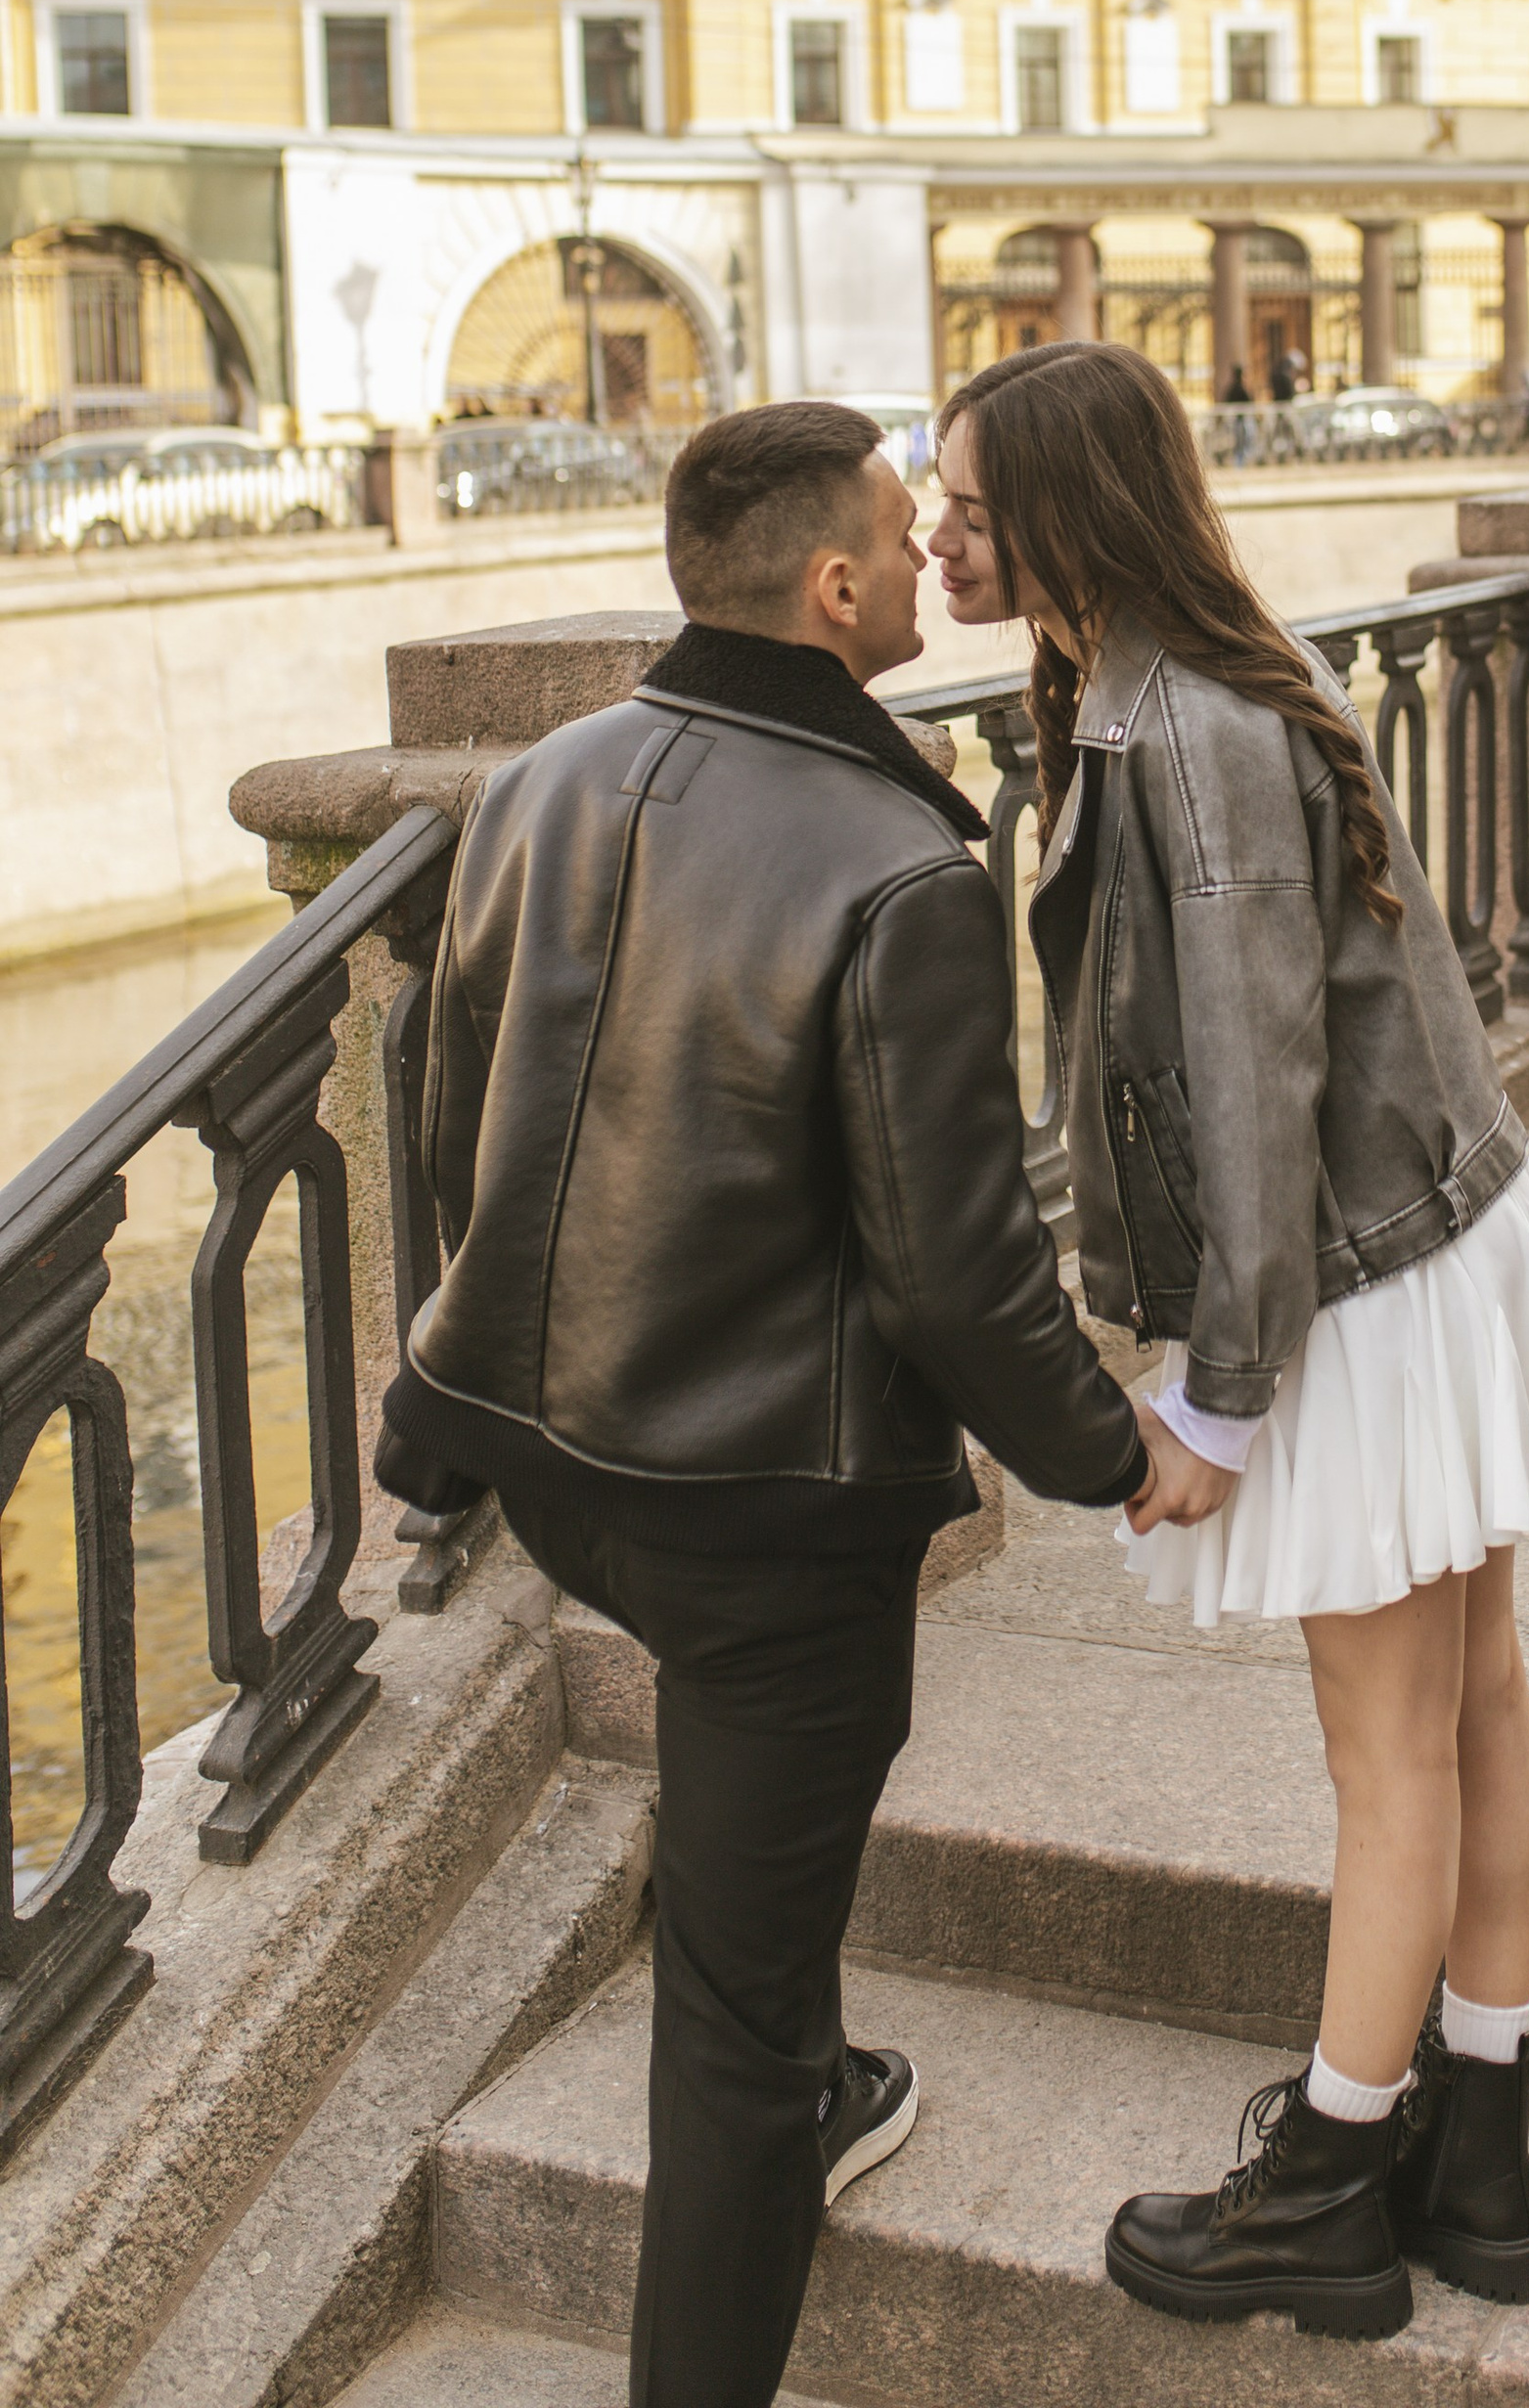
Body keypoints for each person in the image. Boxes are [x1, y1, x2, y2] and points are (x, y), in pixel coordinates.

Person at [375, 399, 1146, 2408]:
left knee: (751, 1906)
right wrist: (1107, 1447)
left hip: (555, 1464)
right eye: (902, 526)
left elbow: (457, 1120)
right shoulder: (899, 864)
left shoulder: (543, 781)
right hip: (768, 1530)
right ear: (832, 585)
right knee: (725, 2018)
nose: (925, 554)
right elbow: (956, 1266)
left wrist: (443, 1393)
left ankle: (819, 2069)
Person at [927, 343, 1529, 2344]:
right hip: (1434, 1235)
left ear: (1065, 519)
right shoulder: (1200, 677)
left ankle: (1325, 2186)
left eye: (968, 508)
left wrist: (1219, 1398)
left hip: (1353, 1281)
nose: (937, 538)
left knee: (1386, 1754)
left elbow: (1249, 1079)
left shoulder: (1182, 730)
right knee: (1477, 1704)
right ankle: (1478, 2163)